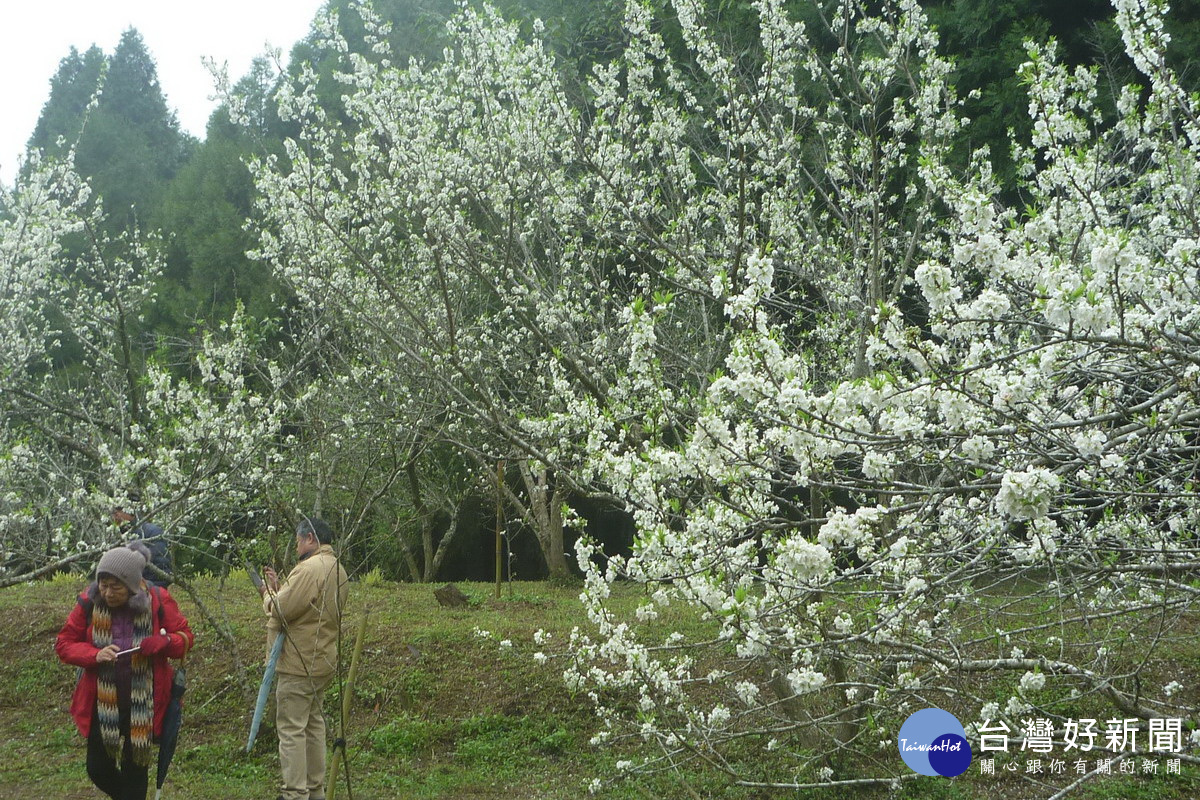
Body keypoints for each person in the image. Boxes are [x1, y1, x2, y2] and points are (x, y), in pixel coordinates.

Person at [56, 541, 195, 800]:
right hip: (102, 700)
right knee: (97, 768)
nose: (108, 593)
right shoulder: (89, 600)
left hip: (144, 701)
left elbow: (185, 637)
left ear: (132, 584)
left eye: (115, 586)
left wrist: (164, 643)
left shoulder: (157, 599)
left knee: (135, 771)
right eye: (103, 585)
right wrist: (94, 654)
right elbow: (64, 644)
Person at [260, 517, 349, 800]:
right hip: (322, 659)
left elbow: (281, 610)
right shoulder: (338, 568)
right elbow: (308, 606)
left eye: (298, 541)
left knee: (291, 729)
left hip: (299, 663)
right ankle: (315, 790)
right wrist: (282, 586)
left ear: (310, 538)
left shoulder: (309, 570)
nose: (297, 546)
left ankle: (294, 793)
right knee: (313, 725)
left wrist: (268, 594)